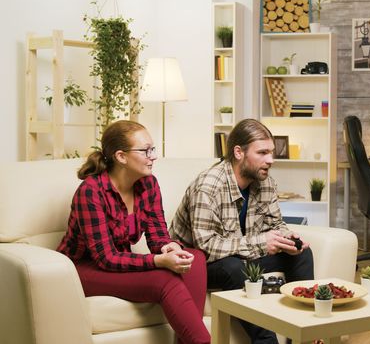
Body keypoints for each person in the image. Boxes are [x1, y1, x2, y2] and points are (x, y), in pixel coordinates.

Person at [56, 120, 211, 344]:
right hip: (82, 269)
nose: (153, 156)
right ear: (121, 156)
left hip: (118, 262)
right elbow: (105, 258)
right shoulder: (90, 192)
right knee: (164, 280)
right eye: (145, 150)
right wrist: (159, 261)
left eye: (153, 149)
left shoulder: (148, 184)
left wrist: (169, 247)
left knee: (194, 258)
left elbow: (158, 236)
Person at [169, 118, 314, 344]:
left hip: (241, 257)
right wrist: (260, 243)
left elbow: (275, 224)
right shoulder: (208, 186)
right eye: (262, 152)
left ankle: (305, 337)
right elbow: (205, 246)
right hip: (199, 265)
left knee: (302, 254)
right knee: (233, 268)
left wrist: (287, 239)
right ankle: (267, 341)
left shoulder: (265, 182)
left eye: (271, 152)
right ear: (238, 152)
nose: (271, 160)